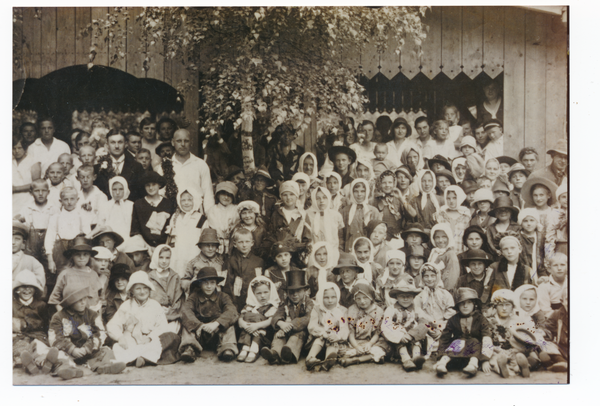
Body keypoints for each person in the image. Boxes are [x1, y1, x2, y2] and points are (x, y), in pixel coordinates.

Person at [48, 286, 126, 379]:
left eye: (84, 298)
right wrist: (72, 349)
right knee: (58, 355)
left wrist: (87, 348)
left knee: (106, 351)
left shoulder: (92, 314)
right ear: (70, 302)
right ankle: (68, 370)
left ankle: (104, 366)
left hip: (89, 351)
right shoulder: (58, 316)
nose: (83, 302)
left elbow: (100, 333)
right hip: (68, 352)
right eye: (78, 300)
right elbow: (55, 337)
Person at [107, 271, 182, 368]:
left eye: (145, 288)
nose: (142, 292)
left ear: (149, 289)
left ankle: (139, 359)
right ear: (132, 291)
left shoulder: (155, 305)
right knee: (118, 346)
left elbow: (162, 326)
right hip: (132, 340)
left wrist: (150, 337)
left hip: (151, 340)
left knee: (171, 338)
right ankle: (144, 358)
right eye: (138, 289)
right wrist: (120, 338)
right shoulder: (126, 306)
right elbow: (113, 324)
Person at [434, 287, 493, 377]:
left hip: (474, 352)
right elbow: (444, 338)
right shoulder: (453, 319)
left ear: (474, 304)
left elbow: (486, 337)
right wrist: (441, 354)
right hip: (457, 354)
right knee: (456, 342)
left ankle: (473, 365)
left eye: (469, 302)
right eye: (462, 303)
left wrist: (485, 359)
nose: (465, 306)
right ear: (458, 306)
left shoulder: (480, 319)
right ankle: (442, 364)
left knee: (474, 341)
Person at [155, 129, 215, 214]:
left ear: (191, 142)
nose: (183, 144)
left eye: (186, 141)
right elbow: (160, 194)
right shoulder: (164, 166)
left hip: (196, 214)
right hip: (172, 213)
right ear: (173, 142)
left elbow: (208, 194)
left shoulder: (200, 164)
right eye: (179, 141)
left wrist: (209, 218)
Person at [261, 270, 314, 365]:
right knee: (278, 335)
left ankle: (289, 354)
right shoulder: (285, 302)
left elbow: (307, 318)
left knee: (298, 336)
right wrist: (280, 323)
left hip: (301, 332)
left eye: (298, 291)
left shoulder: (309, 303)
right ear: (287, 292)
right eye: (291, 292)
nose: (295, 295)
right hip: (286, 329)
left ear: (304, 291)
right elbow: (277, 315)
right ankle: (274, 353)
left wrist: (288, 326)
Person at [486, 289, 541, 378]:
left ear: (512, 307)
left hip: (515, 349)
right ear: (495, 307)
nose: (504, 308)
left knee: (523, 355)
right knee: (494, 358)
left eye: (507, 305)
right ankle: (504, 369)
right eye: (501, 305)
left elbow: (526, 336)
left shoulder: (518, 320)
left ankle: (521, 367)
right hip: (497, 349)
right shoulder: (489, 321)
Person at [44, 187, 91, 288]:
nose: (69, 202)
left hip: (78, 254)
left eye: (72, 199)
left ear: (77, 200)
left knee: (79, 281)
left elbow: (88, 239)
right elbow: (49, 239)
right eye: (65, 199)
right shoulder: (55, 218)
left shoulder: (83, 217)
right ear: (60, 201)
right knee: (62, 281)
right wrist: (50, 260)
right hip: (60, 257)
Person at [380, 275, 428, 371]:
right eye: (402, 296)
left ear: (413, 297)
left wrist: (412, 334)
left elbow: (425, 322)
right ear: (397, 297)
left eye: (409, 296)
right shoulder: (391, 309)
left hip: (412, 337)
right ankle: (405, 359)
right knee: (400, 344)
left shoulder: (417, 309)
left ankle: (416, 358)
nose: (405, 299)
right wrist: (399, 336)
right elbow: (386, 325)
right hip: (397, 338)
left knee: (417, 340)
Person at [48, 236, 103, 314]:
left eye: (85, 254)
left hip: (90, 316)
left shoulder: (93, 274)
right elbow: (55, 299)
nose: (81, 258)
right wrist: (65, 316)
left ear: (89, 256)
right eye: (78, 254)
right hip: (71, 315)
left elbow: (97, 299)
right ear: (72, 256)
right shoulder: (65, 274)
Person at [340, 282, 387, 367]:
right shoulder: (352, 310)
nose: (362, 301)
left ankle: (357, 360)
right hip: (355, 341)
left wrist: (369, 344)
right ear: (355, 299)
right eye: (358, 299)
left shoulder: (378, 311)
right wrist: (357, 346)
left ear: (371, 297)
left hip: (371, 341)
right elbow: (351, 333)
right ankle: (368, 356)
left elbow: (377, 333)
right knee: (341, 349)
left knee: (384, 345)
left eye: (365, 298)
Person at [305, 282, 349, 371]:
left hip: (335, 342)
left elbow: (345, 328)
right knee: (319, 339)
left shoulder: (342, 310)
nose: (330, 300)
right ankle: (310, 358)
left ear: (337, 297)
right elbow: (312, 326)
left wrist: (337, 336)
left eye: (333, 297)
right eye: (326, 297)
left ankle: (328, 360)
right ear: (321, 297)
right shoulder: (317, 309)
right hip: (318, 342)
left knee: (332, 341)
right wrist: (323, 333)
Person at [236, 276, 280, 363]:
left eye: (266, 292)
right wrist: (247, 326)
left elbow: (270, 321)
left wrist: (255, 326)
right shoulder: (250, 305)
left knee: (255, 317)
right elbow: (240, 320)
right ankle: (246, 347)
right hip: (249, 331)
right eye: (259, 293)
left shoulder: (273, 306)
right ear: (253, 294)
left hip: (265, 334)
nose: (263, 296)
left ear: (271, 292)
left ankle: (254, 348)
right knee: (247, 315)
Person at [13, 270, 50, 372]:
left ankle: (43, 362)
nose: (27, 290)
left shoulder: (41, 305)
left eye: (30, 287)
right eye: (23, 287)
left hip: (38, 336)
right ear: (16, 290)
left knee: (41, 349)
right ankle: (28, 364)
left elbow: (47, 325)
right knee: (21, 348)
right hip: (19, 338)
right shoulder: (12, 305)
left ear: (35, 289)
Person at [94, 130, 146, 202]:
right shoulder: (98, 168)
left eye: (120, 142)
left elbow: (141, 195)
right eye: (113, 142)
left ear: (126, 144)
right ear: (107, 145)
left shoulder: (136, 167)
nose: (117, 146)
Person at [481, 235, 533, 304]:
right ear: (501, 252)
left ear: (520, 249)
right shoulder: (494, 267)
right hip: (499, 306)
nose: (509, 251)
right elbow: (486, 291)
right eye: (505, 249)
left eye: (512, 248)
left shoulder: (527, 270)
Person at [225, 227, 265, 311]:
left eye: (247, 242)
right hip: (236, 300)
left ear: (252, 243)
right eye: (240, 242)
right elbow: (228, 284)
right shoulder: (231, 261)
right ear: (235, 244)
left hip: (254, 301)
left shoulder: (258, 261)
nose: (244, 245)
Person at [147, 245, 185, 334]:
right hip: (153, 315)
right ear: (156, 257)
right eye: (161, 257)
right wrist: (158, 309)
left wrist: (170, 311)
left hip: (172, 316)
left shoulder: (175, 277)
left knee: (169, 332)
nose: (164, 261)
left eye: (167, 258)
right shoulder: (150, 277)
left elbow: (178, 300)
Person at [130, 171, 174, 247]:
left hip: (164, 246)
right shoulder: (139, 204)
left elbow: (172, 227)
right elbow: (135, 230)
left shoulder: (168, 204)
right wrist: (147, 247)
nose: (151, 188)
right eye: (148, 185)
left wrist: (164, 246)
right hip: (143, 246)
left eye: (154, 184)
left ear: (159, 185)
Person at [167, 189, 204, 276]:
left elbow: (203, 237)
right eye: (183, 200)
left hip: (194, 252)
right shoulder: (175, 217)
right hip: (178, 253)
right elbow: (171, 237)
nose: (186, 203)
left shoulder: (200, 218)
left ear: (195, 200)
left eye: (189, 200)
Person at [182, 228, 226, 294]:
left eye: (213, 245)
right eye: (207, 245)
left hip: (218, 298)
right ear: (200, 246)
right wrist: (193, 282)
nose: (210, 248)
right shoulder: (194, 263)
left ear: (217, 247)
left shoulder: (223, 260)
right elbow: (184, 282)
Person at [340, 178, 379, 252]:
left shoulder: (373, 211)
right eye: (356, 191)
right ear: (352, 192)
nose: (359, 194)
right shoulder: (345, 211)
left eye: (362, 191)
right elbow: (341, 234)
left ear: (367, 192)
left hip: (367, 251)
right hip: (349, 249)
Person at [96, 177, 134, 247]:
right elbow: (100, 224)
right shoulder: (105, 205)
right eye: (114, 189)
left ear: (125, 189)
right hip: (109, 240)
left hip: (127, 240)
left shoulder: (131, 205)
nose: (117, 192)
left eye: (121, 189)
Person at [434, 185, 471, 253]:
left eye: (454, 198)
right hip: (444, 251)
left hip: (460, 249)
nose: (451, 201)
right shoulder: (441, 214)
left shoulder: (466, 215)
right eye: (448, 198)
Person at [428, 223, 461, 294]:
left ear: (449, 237)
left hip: (444, 292)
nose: (440, 240)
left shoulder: (450, 254)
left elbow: (452, 278)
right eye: (437, 237)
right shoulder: (434, 253)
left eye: (444, 237)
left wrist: (444, 293)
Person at [13, 135, 41, 216]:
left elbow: (36, 184)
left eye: (19, 148)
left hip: (27, 198)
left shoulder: (33, 161)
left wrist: (16, 189)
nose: (16, 151)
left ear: (25, 149)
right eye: (14, 148)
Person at [13, 221, 45, 291]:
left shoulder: (32, 261)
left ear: (23, 242)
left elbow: (39, 282)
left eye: (17, 239)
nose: (13, 242)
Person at [75, 165, 107, 230]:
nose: (85, 180)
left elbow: (102, 219)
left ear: (94, 177)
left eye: (88, 177)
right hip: (78, 230)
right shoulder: (76, 195)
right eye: (82, 177)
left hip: (95, 231)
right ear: (77, 178)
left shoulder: (101, 196)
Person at [517, 208, 545, 279]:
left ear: (536, 222)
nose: (529, 224)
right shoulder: (518, 236)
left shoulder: (541, 236)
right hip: (523, 269)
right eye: (525, 221)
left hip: (540, 268)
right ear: (521, 223)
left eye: (532, 220)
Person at [545, 184, 568, 259]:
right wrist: (549, 256)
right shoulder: (554, 214)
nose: (567, 199)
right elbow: (550, 235)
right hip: (561, 246)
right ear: (559, 199)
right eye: (564, 197)